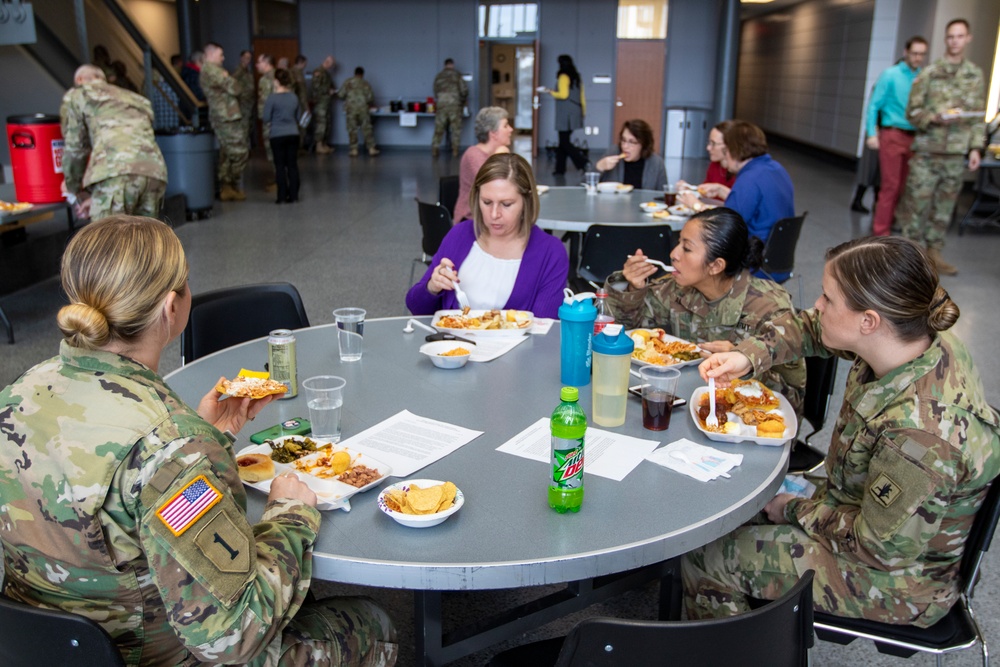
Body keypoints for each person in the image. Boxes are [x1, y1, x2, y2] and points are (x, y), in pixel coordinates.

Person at [0, 215, 398, 666]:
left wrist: (212, 437)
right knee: (372, 624)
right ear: (173, 308)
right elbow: (232, 638)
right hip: (157, 656)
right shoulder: (169, 444)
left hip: (43, 649)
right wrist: (291, 514)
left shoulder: (16, 393)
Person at [685, 235, 1000, 627]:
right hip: (862, 510)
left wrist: (794, 510)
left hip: (898, 580)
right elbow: (813, 327)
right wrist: (748, 355)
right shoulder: (908, 334)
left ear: (869, 321)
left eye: (828, 298)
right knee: (729, 506)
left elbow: (879, 548)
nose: (817, 305)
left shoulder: (921, 435)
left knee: (707, 555)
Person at [604, 207, 804, 415]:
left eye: (687, 249)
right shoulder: (677, 289)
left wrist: (744, 365)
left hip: (742, 424)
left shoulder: (770, 308)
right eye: (678, 242)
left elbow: (793, 398)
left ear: (715, 265)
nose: (674, 254)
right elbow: (627, 331)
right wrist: (633, 289)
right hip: (685, 404)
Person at [407, 153, 569, 319]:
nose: (494, 214)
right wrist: (431, 288)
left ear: (526, 201)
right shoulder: (460, 234)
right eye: (486, 202)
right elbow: (416, 307)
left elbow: (545, 331)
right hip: (453, 344)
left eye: (506, 204)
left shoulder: (550, 253)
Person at [896, 19, 986, 276]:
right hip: (927, 151)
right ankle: (908, 259)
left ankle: (934, 255)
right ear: (946, 39)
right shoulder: (930, 73)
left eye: (960, 36)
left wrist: (975, 149)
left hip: (956, 152)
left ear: (967, 38)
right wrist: (933, 117)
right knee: (915, 207)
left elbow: (977, 117)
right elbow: (912, 112)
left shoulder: (974, 75)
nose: (955, 41)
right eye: (951, 36)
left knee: (944, 209)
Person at [686, 120, 794, 281]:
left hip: (755, 262)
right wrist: (724, 191)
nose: (725, 156)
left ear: (735, 150)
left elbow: (724, 228)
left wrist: (695, 204)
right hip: (780, 261)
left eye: (726, 150)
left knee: (693, 254)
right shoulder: (776, 169)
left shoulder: (749, 179)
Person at [60, 65, 167, 222]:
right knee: (146, 241)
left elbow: (75, 147)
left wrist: (73, 187)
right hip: (154, 172)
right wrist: (97, 197)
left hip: (115, 172)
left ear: (79, 80)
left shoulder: (78, 95)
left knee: (108, 243)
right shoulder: (134, 97)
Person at [864, 36, 928, 234]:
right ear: (906, 52)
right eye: (914, 53)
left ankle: (895, 224)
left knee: (905, 186)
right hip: (892, 133)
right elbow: (874, 105)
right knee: (890, 185)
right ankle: (881, 231)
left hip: (914, 136)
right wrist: (871, 133)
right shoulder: (890, 75)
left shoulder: (923, 78)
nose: (917, 58)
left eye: (921, 54)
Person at [200, 43, 248, 202]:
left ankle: (228, 187)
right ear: (211, 54)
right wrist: (228, 77)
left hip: (228, 116)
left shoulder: (215, 71)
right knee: (239, 151)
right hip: (224, 117)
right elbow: (236, 89)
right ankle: (228, 183)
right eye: (220, 55)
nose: (223, 58)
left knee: (227, 153)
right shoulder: (212, 71)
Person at [453, 106, 514, 223]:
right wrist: (499, 157)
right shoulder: (473, 155)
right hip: (471, 220)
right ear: (493, 133)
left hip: (491, 217)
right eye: (506, 126)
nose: (511, 129)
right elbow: (493, 184)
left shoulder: (495, 153)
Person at [543, 54, 588, 175]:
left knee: (564, 141)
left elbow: (563, 95)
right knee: (563, 141)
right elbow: (582, 96)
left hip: (566, 113)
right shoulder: (577, 77)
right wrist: (583, 112)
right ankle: (560, 169)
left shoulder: (563, 76)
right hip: (576, 111)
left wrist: (550, 91)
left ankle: (583, 163)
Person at [594, 119, 668, 190]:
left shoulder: (657, 163)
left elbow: (663, 194)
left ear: (644, 144)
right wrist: (599, 167)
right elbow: (584, 185)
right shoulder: (613, 152)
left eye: (632, 142)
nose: (625, 146)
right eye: (623, 140)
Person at [263, 69, 301, 204]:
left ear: (276, 81)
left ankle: (282, 197)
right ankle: (294, 196)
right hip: (293, 133)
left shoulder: (272, 98)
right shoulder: (294, 97)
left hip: (277, 135)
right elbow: (299, 116)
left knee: (279, 166)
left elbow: (266, 118)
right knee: (292, 165)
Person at [431, 58, 468, 157]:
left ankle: (435, 148)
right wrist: (462, 100)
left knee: (439, 128)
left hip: (441, 105)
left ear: (445, 65)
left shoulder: (439, 76)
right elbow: (464, 90)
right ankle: (455, 150)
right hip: (454, 105)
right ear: (452, 64)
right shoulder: (457, 75)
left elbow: (435, 91)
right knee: (456, 129)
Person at [338, 66, 379, 157]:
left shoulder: (347, 82)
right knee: (367, 128)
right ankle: (371, 149)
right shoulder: (365, 83)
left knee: (352, 129)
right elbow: (370, 98)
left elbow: (340, 95)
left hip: (351, 109)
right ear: (362, 74)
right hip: (363, 109)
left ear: (355, 73)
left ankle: (354, 150)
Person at [256, 53, 278, 192]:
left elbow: (265, 102)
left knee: (273, 150)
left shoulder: (265, 79)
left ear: (267, 62)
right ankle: (278, 177)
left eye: (259, 62)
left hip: (271, 120)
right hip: (281, 119)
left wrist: (264, 118)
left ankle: (280, 180)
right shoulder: (280, 75)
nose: (257, 65)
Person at [310, 55, 337, 154]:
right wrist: (328, 90)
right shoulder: (319, 72)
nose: (332, 67)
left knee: (327, 123)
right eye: (332, 64)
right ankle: (319, 145)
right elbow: (316, 88)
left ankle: (324, 144)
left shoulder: (326, 73)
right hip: (320, 103)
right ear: (327, 62)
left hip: (326, 103)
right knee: (321, 124)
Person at [232, 49, 256, 144]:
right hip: (243, 102)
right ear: (241, 58)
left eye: (249, 58)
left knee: (249, 126)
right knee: (244, 126)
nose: (248, 60)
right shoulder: (239, 70)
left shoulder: (247, 71)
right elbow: (232, 82)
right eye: (246, 58)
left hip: (249, 102)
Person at [291, 55, 310, 147]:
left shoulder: (293, 72)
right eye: (305, 64)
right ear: (301, 63)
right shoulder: (297, 74)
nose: (305, 66)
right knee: (301, 125)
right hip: (299, 104)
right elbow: (301, 93)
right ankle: (298, 147)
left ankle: (298, 147)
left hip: (295, 103)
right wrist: (306, 106)